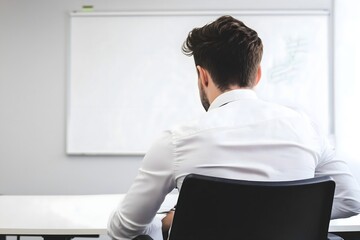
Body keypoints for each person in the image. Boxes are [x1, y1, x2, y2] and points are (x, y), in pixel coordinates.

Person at [107, 15, 360, 240]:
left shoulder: (176, 142)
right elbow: (351, 200)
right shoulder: (306, 128)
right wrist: (283, 216)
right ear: (258, 74)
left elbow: (124, 229)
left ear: (202, 75)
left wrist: (177, 219)